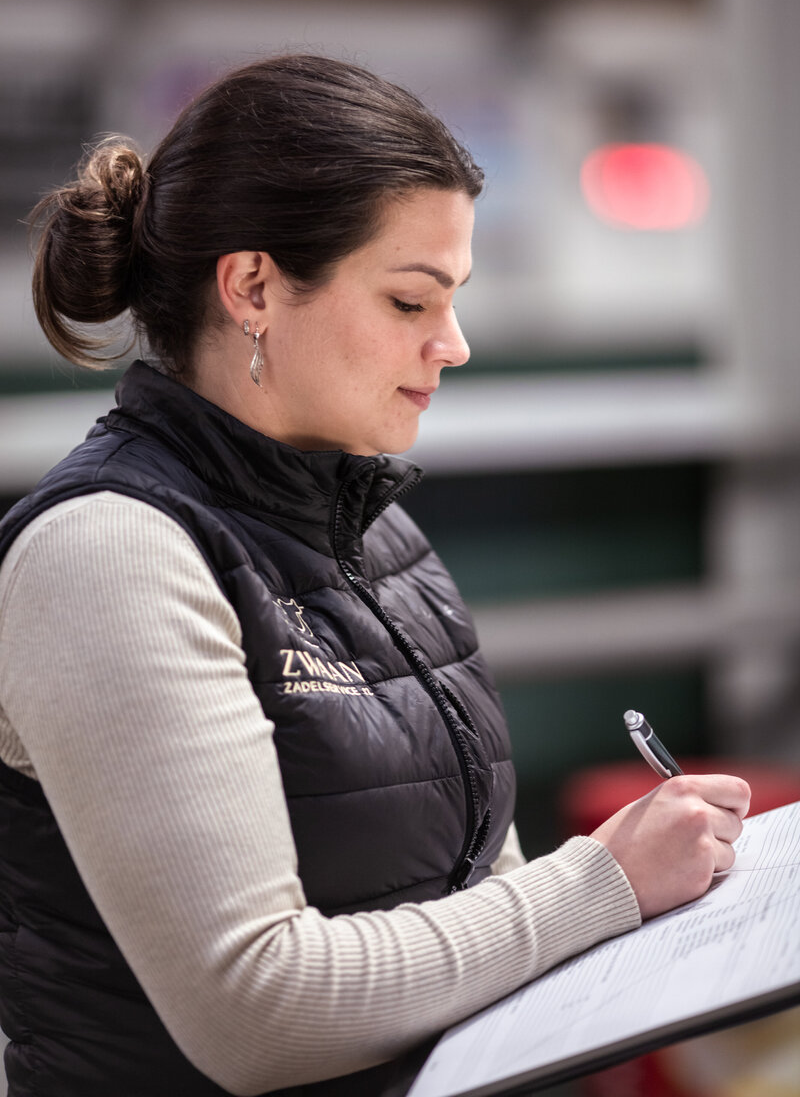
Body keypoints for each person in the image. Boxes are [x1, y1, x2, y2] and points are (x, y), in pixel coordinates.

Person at [0, 54, 749, 1097]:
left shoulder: (373, 534)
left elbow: (478, 895)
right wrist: (600, 883)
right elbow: (255, 1009)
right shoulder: (109, 555)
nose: (453, 344)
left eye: (453, 300)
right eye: (410, 301)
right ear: (252, 287)